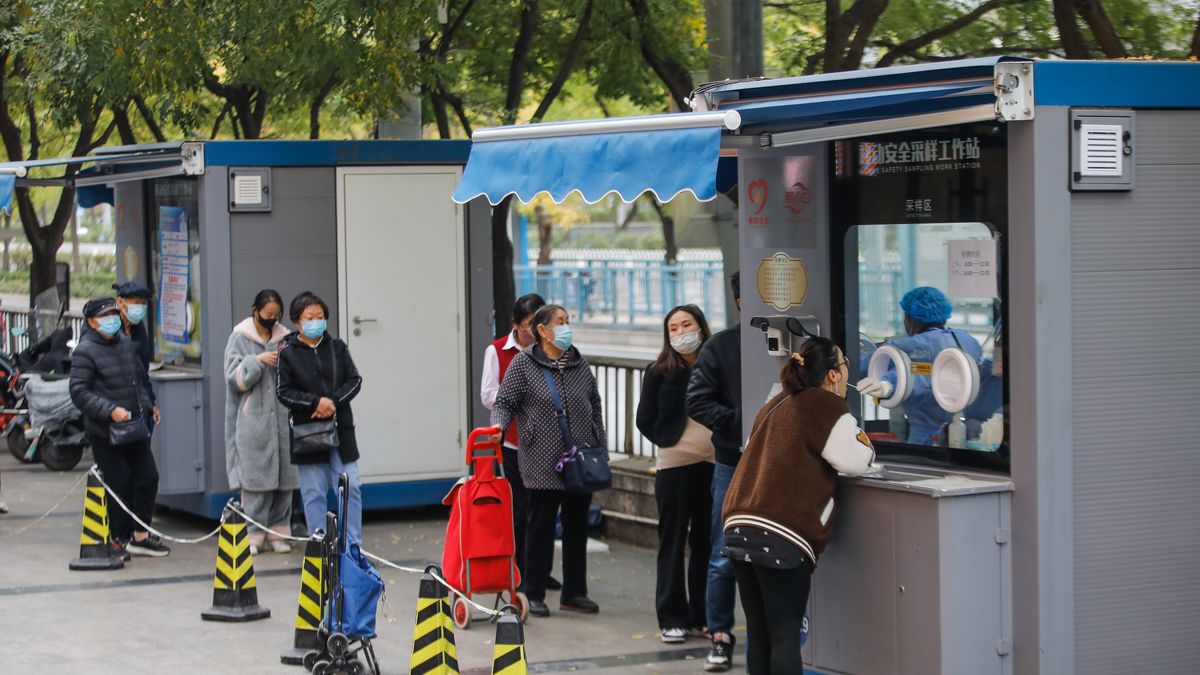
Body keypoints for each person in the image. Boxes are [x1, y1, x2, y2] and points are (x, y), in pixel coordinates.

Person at [722, 337, 875, 675]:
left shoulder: (776, 402)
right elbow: (856, 460)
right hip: (780, 534)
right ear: (834, 375)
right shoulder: (825, 406)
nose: (848, 368)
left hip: (738, 526)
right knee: (786, 636)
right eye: (845, 362)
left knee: (760, 634)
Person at [491, 304, 605, 618]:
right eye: (560, 322)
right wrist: (498, 427)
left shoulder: (579, 363)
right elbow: (504, 403)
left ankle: (574, 592)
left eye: (568, 321)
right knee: (540, 526)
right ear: (542, 330)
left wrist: (600, 447)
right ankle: (534, 590)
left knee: (577, 525)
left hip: (579, 458)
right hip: (541, 461)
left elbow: (594, 405)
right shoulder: (524, 364)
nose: (567, 327)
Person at [637, 305, 715, 644]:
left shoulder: (717, 365)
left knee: (706, 544)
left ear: (701, 327)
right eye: (673, 328)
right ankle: (671, 618)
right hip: (674, 467)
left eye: (687, 324)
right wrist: (670, 440)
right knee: (671, 543)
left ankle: (702, 616)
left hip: (715, 465)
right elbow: (644, 419)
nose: (681, 332)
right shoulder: (659, 371)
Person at [69, 297, 168, 559]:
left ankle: (140, 535)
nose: (111, 320)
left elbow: (137, 379)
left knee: (148, 477)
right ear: (91, 322)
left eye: (114, 314)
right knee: (118, 484)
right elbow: (78, 392)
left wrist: (148, 403)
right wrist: (109, 410)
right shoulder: (85, 350)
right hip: (105, 431)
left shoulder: (124, 343)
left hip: (133, 424)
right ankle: (117, 538)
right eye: (105, 316)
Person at [481, 293, 562, 592]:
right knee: (519, 512)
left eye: (540, 323)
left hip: (548, 444)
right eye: (529, 325)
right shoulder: (498, 351)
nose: (534, 331)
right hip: (514, 443)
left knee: (545, 512)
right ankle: (520, 571)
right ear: (515, 325)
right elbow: (489, 396)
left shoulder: (552, 350)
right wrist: (522, 397)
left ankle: (541, 571)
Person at [686, 272, 743, 672]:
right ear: (741, 302)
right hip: (731, 461)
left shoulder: (800, 344)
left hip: (784, 462)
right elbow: (697, 402)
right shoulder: (721, 347)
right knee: (724, 551)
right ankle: (719, 635)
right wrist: (738, 423)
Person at [276, 292, 364, 545]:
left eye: (320, 317)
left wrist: (333, 402)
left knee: (351, 487)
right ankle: (319, 546)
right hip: (308, 432)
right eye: (310, 317)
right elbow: (284, 391)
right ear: (297, 321)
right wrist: (315, 403)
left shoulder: (337, 347)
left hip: (341, 430)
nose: (316, 321)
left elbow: (354, 380)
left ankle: (353, 546)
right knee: (313, 491)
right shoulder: (287, 351)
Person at [855, 286, 982, 445]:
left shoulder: (906, 347)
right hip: (967, 435)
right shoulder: (967, 341)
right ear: (943, 316)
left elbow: (863, 369)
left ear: (910, 319)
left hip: (923, 442)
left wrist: (858, 352)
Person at [224, 290, 299, 555]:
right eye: (267, 315)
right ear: (255, 311)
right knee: (255, 482)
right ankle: (253, 533)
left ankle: (279, 532)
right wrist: (256, 361)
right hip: (252, 422)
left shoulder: (285, 337)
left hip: (282, 421)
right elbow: (234, 378)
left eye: (275, 315)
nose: (272, 319)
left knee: (285, 481)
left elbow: (297, 373)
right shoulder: (239, 337)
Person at [113, 281, 153, 372]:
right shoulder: (108, 326)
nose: (141, 307)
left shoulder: (138, 326)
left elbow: (143, 360)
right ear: (120, 302)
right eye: (137, 302)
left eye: (144, 303)